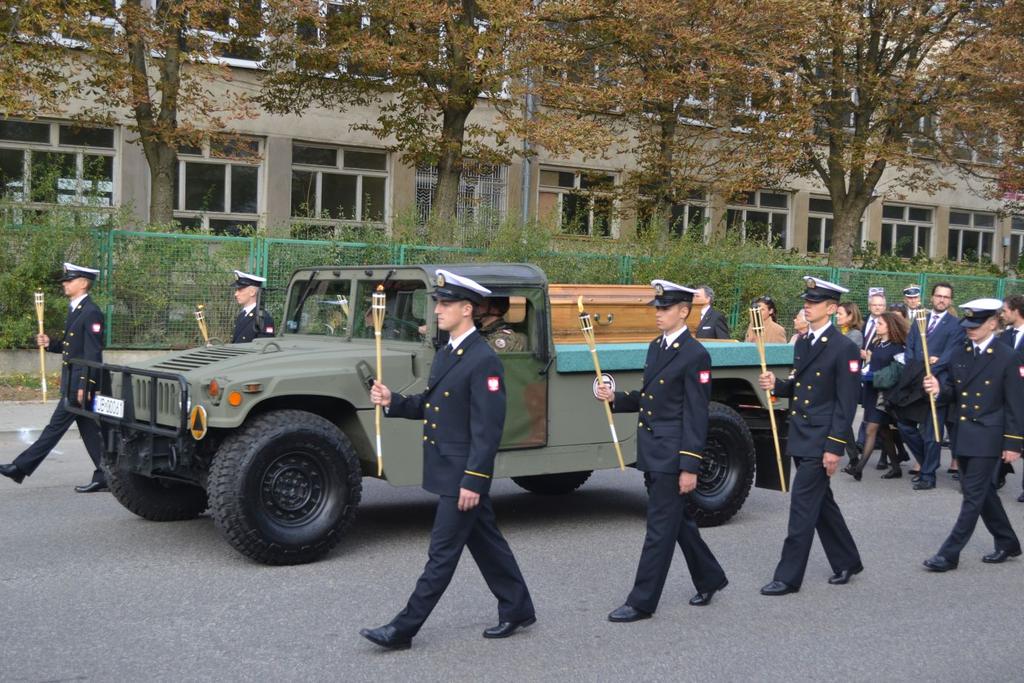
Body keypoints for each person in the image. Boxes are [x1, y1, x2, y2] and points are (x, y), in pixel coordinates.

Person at [361, 269, 535, 650]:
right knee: (487, 542)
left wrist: (474, 479)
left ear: (467, 309)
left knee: (441, 554)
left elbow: (488, 428)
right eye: (438, 302)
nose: (437, 309)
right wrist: (394, 401)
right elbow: (432, 405)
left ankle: (403, 629)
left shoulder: (483, 359)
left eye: (446, 303)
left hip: (461, 474)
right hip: (446, 467)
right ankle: (518, 607)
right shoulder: (448, 352)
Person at [595, 280, 728, 622]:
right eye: (657, 308)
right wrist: (616, 399)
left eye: (665, 308)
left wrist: (689, 466)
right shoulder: (657, 347)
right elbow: (650, 398)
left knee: (658, 529)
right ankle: (710, 577)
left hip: (672, 456)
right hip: (654, 451)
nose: (658, 314)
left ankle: (641, 602)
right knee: (676, 522)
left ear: (683, 311)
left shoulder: (696, 354)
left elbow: (696, 415)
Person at [758, 276, 863, 596]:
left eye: (815, 302)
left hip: (822, 438)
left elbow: (846, 404)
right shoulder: (803, 342)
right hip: (801, 432)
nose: (807, 305)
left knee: (803, 506)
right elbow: (800, 385)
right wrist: (778, 385)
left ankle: (788, 577)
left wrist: (834, 448)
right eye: (807, 300)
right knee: (821, 503)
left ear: (831, 309)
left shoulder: (844, 347)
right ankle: (847, 560)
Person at [921, 299, 1023, 572]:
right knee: (982, 492)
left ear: (992, 323)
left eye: (975, 325)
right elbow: (955, 391)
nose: (969, 330)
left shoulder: (1007, 357)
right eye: (967, 325)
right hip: (964, 433)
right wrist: (938, 388)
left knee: (973, 495)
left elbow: (1015, 404)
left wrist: (1014, 443)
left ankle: (949, 554)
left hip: (989, 435)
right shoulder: (961, 352)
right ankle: (1008, 541)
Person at [0, 263, 108, 493]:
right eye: (65, 280)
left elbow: (93, 353)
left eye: (70, 279)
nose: (65, 283)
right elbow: (73, 348)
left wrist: (85, 385)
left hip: (78, 383)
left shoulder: (91, 312)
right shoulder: (76, 309)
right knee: (89, 430)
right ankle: (106, 474)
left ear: (84, 283)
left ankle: (20, 467)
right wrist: (51, 344)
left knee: (54, 428)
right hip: (72, 380)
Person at [898, 282, 964, 490]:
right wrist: (918, 369)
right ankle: (927, 462)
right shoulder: (920, 320)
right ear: (932, 297)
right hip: (916, 381)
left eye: (946, 297)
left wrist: (931, 370)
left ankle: (928, 475)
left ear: (951, 300)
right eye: (938, 296)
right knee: (904, 425)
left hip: (938, 385)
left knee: (931, 431)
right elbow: (910, 348)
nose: (942, 299)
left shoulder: (956, 325)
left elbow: (949, 355)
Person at [843, 311, 908, 480]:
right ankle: (896, 467)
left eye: (880, 324)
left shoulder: (898, 347)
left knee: (871, 429)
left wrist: (872, 376)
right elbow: (872, 365)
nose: (876, 326)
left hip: (884, 395)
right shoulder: (878, 344)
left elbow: (898, 372)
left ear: (889, 327)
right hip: (872, 392)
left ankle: (859, 467)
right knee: (884, 432)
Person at [997, 294, 1024, 501]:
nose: (1002, 314)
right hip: (1005, 397)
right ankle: (999, 474)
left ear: (1016, 311)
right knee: (1001, 438)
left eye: (1005, 310)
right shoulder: (1004, 336)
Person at [231, 270, 275, 343]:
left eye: (240, 290)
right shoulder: (242, 315)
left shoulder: (264, 318)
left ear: (252, 292)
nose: (236, 294)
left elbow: (263, 348)